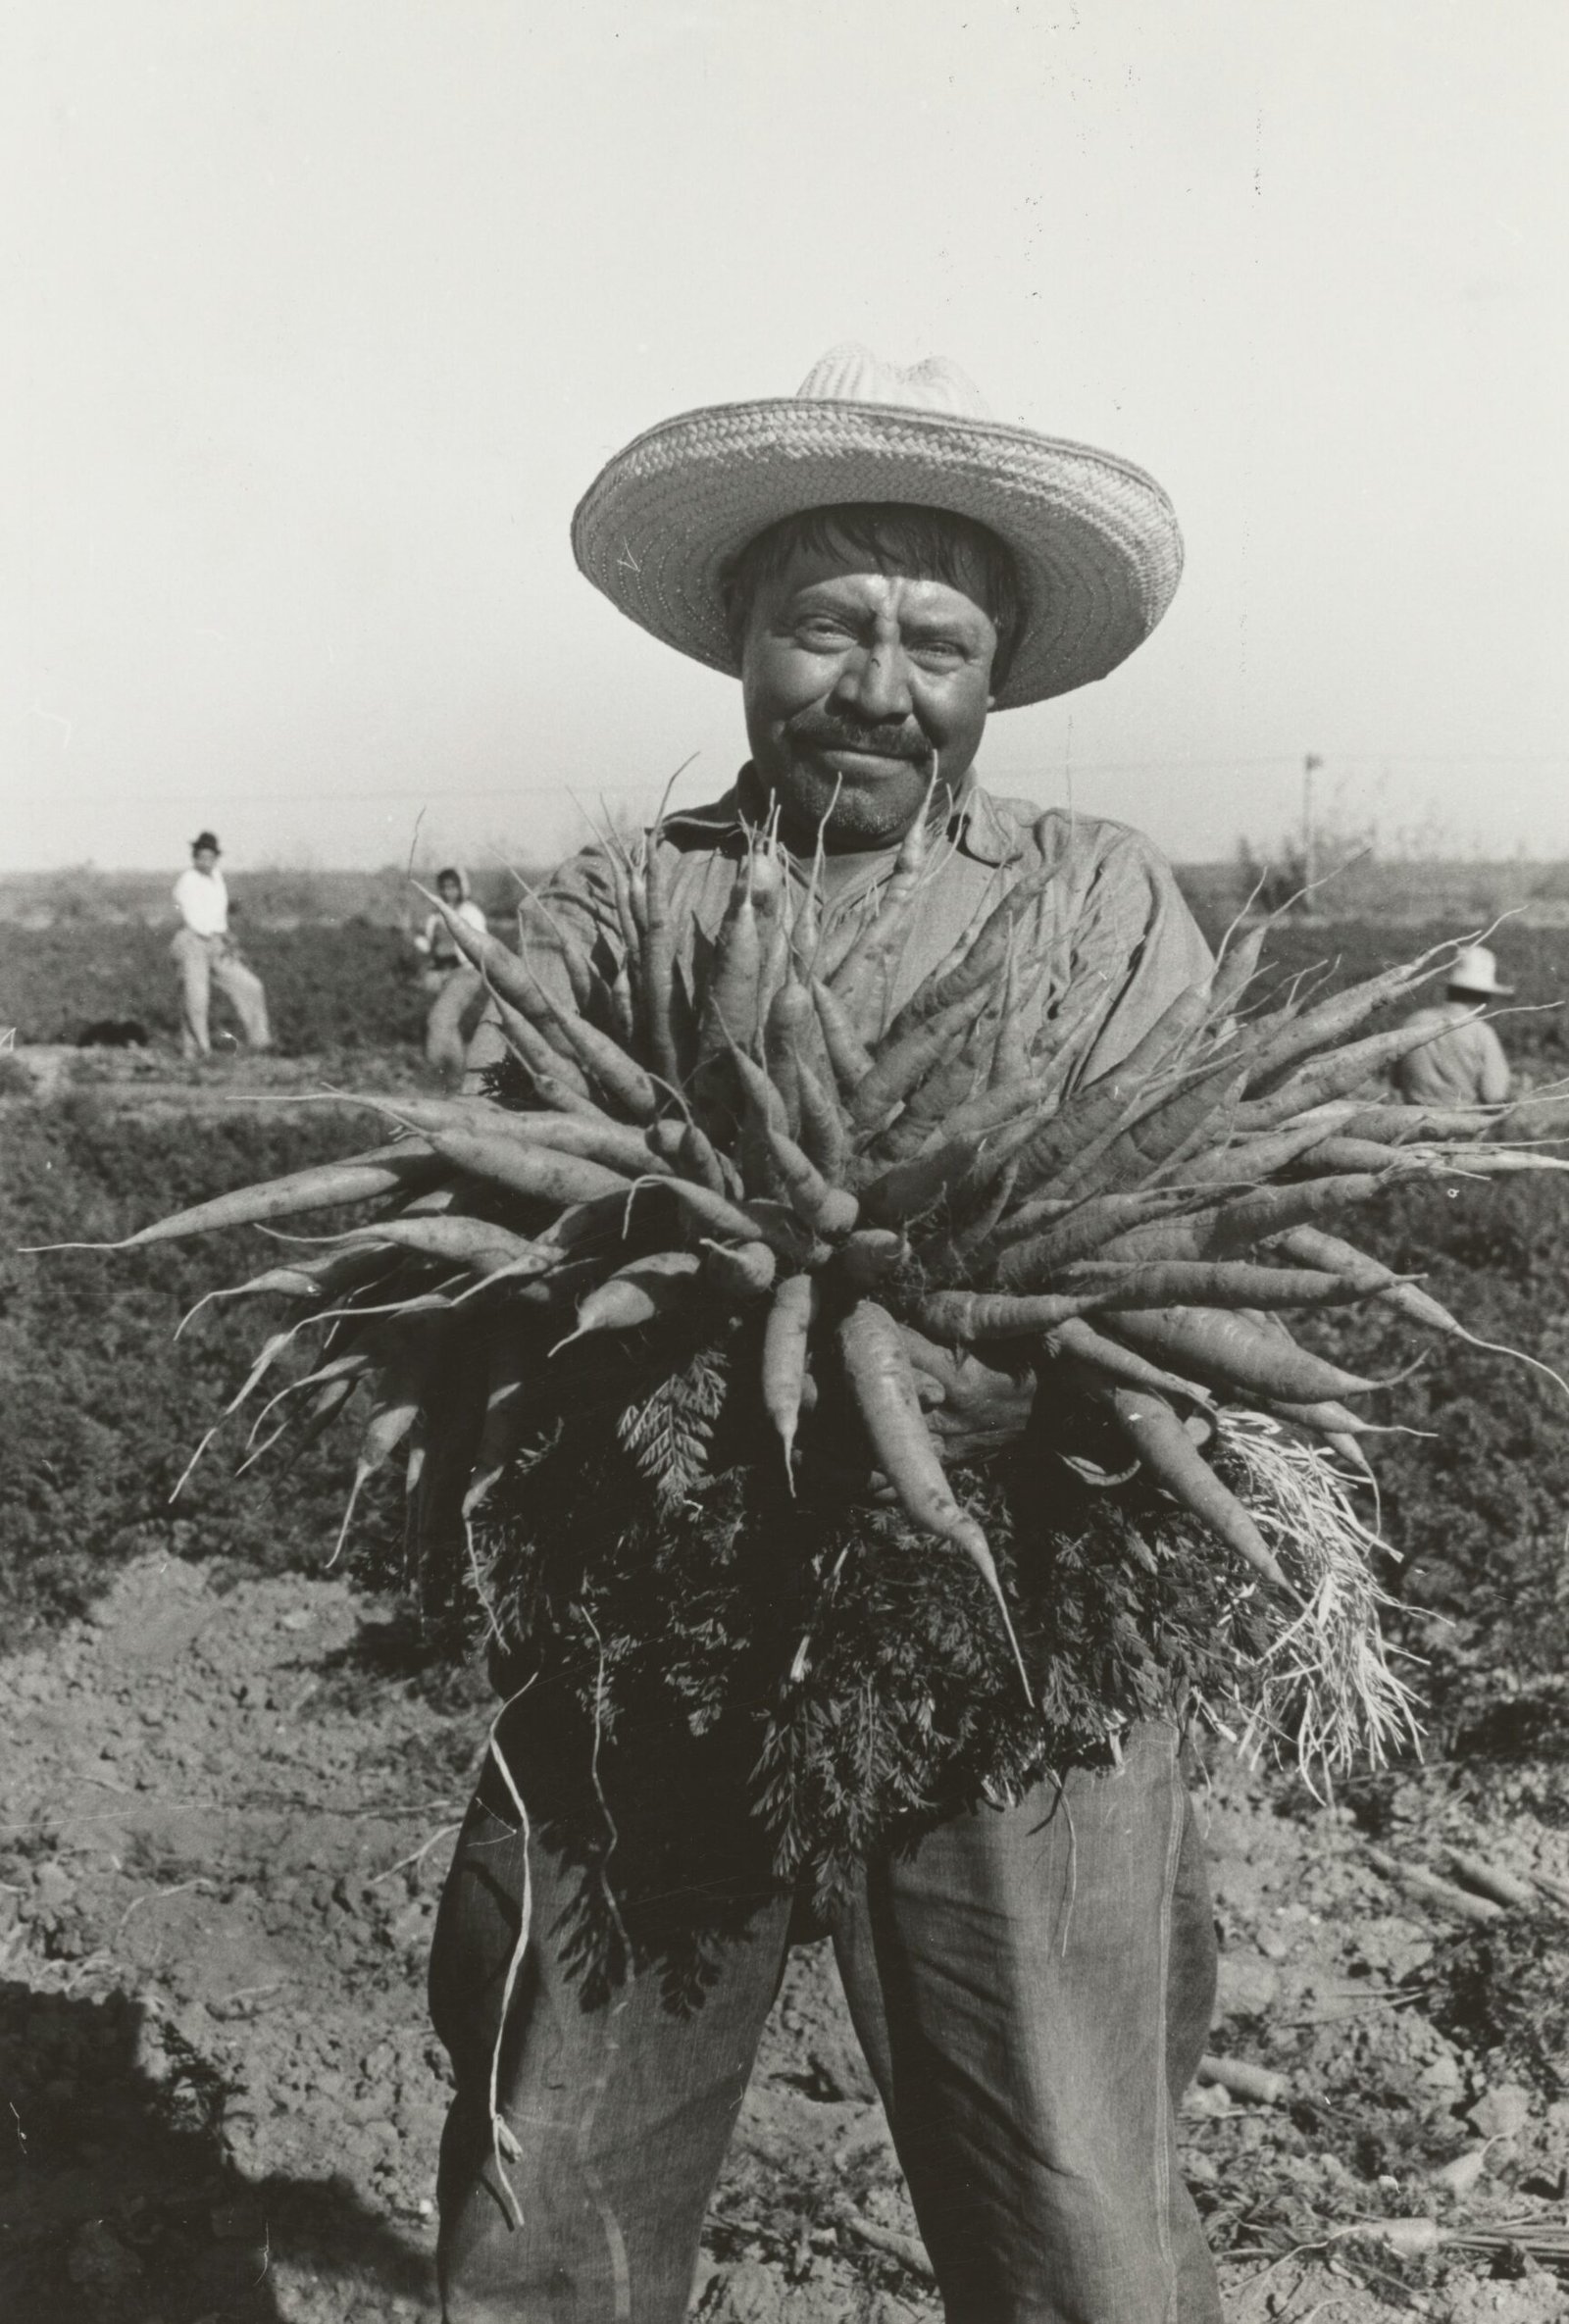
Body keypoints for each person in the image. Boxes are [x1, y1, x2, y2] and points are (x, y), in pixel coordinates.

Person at [433, 346, 1222, 2323]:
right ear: (740, 641)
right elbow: (501, 1205)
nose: (874, 684)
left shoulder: (1101, 902)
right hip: (660, 1615)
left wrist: (1025, 1375)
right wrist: (616, 1381)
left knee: (1071, 2204)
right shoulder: (624, 904)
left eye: (930, 641)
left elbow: (1173, 1235)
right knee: (562, 2179)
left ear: (992, 672)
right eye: (824, 628)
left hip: (1013, 1626)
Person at [170, 832, 272, 1060]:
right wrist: (214, 936)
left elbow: (218, 916)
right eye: (201, 857)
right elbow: (195, 919)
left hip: (216, 941)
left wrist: (227, 939)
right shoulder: (188, 881)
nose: (206, 861)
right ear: (195, 858)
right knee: (196, 997)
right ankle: (198, 1051)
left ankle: (260, 1042)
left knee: (251, 986)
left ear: (215, 858)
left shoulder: (217, 877)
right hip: (192, 941)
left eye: (210, 857)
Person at [1392, 943, 1513, 1106]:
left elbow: (1396, 1080)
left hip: (1410, 1124)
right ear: (1485, 997)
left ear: (1449, 988)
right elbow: (1494, 1095)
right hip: (1462, 1124)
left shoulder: (1413, 1022)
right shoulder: (1481, 1033)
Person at [413, 867, 489, 1084]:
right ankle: (455, 1073)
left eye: (452, 887)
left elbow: (482, 943)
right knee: (445, 1021)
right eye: (444, 887)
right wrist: (413, 938)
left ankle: (441, 1072)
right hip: (441, 972)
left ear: (462, 888)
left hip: (465, 972)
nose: (448, 892)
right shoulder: (435, 915)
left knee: (439, 1019)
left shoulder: (470, 913)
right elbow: (428, 945)